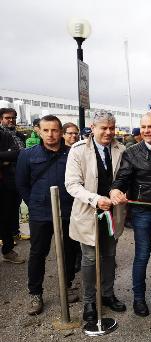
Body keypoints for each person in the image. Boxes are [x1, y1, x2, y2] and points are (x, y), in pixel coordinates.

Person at [65, 111, 127, 324]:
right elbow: (72, 184)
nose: (109, 132)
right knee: (90, 258)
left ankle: (107, 294)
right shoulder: (78, 150)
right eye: (104, 128)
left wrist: (120, 192)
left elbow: (125, 178)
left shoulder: (121, 149)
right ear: (93, 128)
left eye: (112, 127)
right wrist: (94, 199)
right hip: (88, 212)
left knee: (110, 255)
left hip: (113, 213)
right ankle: (90, 301)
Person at [16, 115, 80, 315]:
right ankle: (35, 293)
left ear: (61, 132)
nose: (50, 134)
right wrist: (34, 204)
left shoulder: (72, 154)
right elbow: (21, 183)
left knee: (69, 251)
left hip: (68, 212)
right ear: (39, 131)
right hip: (40, 213)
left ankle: (66, 285)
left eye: (54, 130)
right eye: (46, 130)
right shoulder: (27, 155)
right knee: (38, 253)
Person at [110, 113, 151, 317]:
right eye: (143, 127)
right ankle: (138, 298)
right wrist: (116, 189)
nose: (146, 130)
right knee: (142, 255)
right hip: (142, 210)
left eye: (150, 126)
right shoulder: (132, 151)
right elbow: (123, 177)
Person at [0, 108, 28, 242]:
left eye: (13, 117)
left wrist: (10, 157)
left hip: (18, 176)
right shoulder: (1, 134)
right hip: (4, 178)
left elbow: (20, 154)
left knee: (15, 207)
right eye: (7, 118)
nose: (11, 120)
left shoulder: (19, 135)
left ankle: (14, 233)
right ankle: (5, 239)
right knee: (5, 210)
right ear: (1, 119)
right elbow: (16, 154)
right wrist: (13, 155)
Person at [0, 122, 23, 263]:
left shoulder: (5, 135)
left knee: (5, 217)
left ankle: (8, 250)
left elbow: (16, 153)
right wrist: (4, 159)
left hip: (4, 184)